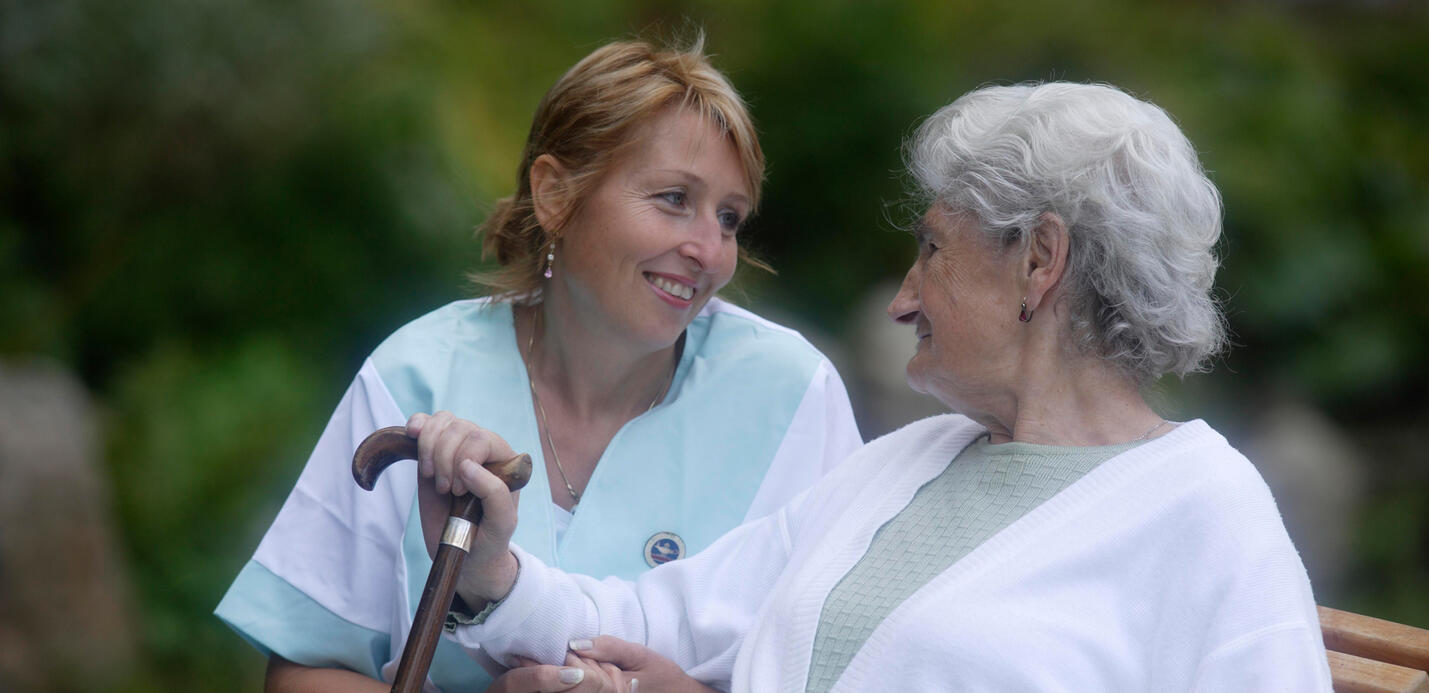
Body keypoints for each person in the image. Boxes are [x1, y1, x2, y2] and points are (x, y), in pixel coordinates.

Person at [427, 82, 1333, 692]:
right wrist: (488, 569)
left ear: (1040, 262)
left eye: (932, 250)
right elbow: (645, 614)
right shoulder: (904, 464)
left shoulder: (1203, 511)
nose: (903, 295)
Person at [214, 39, 863, 693]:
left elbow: (856, 666)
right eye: (672, 198)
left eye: (729, 218)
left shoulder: (791, 395)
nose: (709, 250)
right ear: (554, 194)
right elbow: (306, 668)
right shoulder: (415, 376)